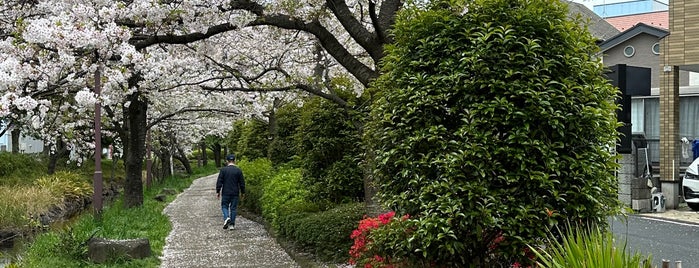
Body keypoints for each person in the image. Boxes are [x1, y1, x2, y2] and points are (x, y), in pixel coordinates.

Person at [216, 153, 245, 230]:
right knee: (233, 208)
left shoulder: (223, 170)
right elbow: (242, 183)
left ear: (227, 161)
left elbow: (219, 181)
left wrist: (218, 191)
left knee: (224, 206)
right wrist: (243, 192)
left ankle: (226, 218)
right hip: (235, 192)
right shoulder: (238, 170)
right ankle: (232, 225)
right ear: (235, 160)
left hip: (226, 192)